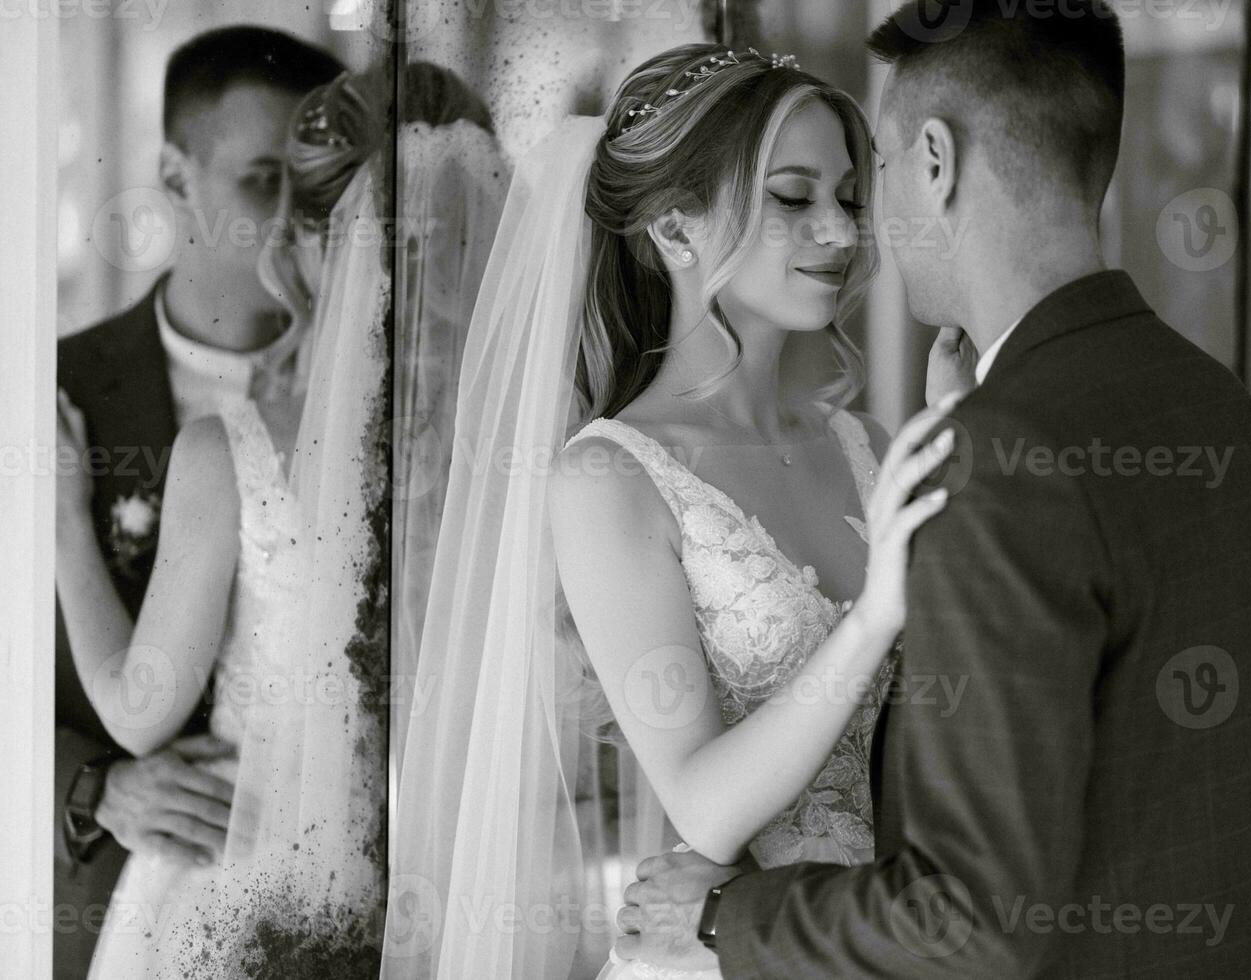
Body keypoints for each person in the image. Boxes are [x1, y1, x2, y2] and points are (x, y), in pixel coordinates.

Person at [621, 2, 1251, 977]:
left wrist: (726, 918)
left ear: (937, 163)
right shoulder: (1222, 413)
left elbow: (972, 919)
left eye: (878, 167)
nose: (860, 221)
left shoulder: (999, 463)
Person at [386, 42, 962, 980]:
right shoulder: (608, 481)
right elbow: (700, 803)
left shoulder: (869, 444)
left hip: (874, 942)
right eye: (792, 197)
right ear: (675, 230)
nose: (838, 231)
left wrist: (957, 435)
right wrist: (875, 617)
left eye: (849, 197)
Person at [59, 62, 498, 978]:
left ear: (311, 236)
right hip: (459, 901)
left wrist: (61, 519)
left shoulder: (232, 452)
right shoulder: (527, 451)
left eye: (283, 191)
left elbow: (140, 712)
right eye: (255, 179)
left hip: (242, 891)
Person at [52, 26, 341, 979]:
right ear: (175, 178)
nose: (301, 220)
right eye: (263, 180)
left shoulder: (391, 413)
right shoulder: (58, 395)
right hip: (101, 906)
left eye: (322, 187)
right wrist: (95, 786)